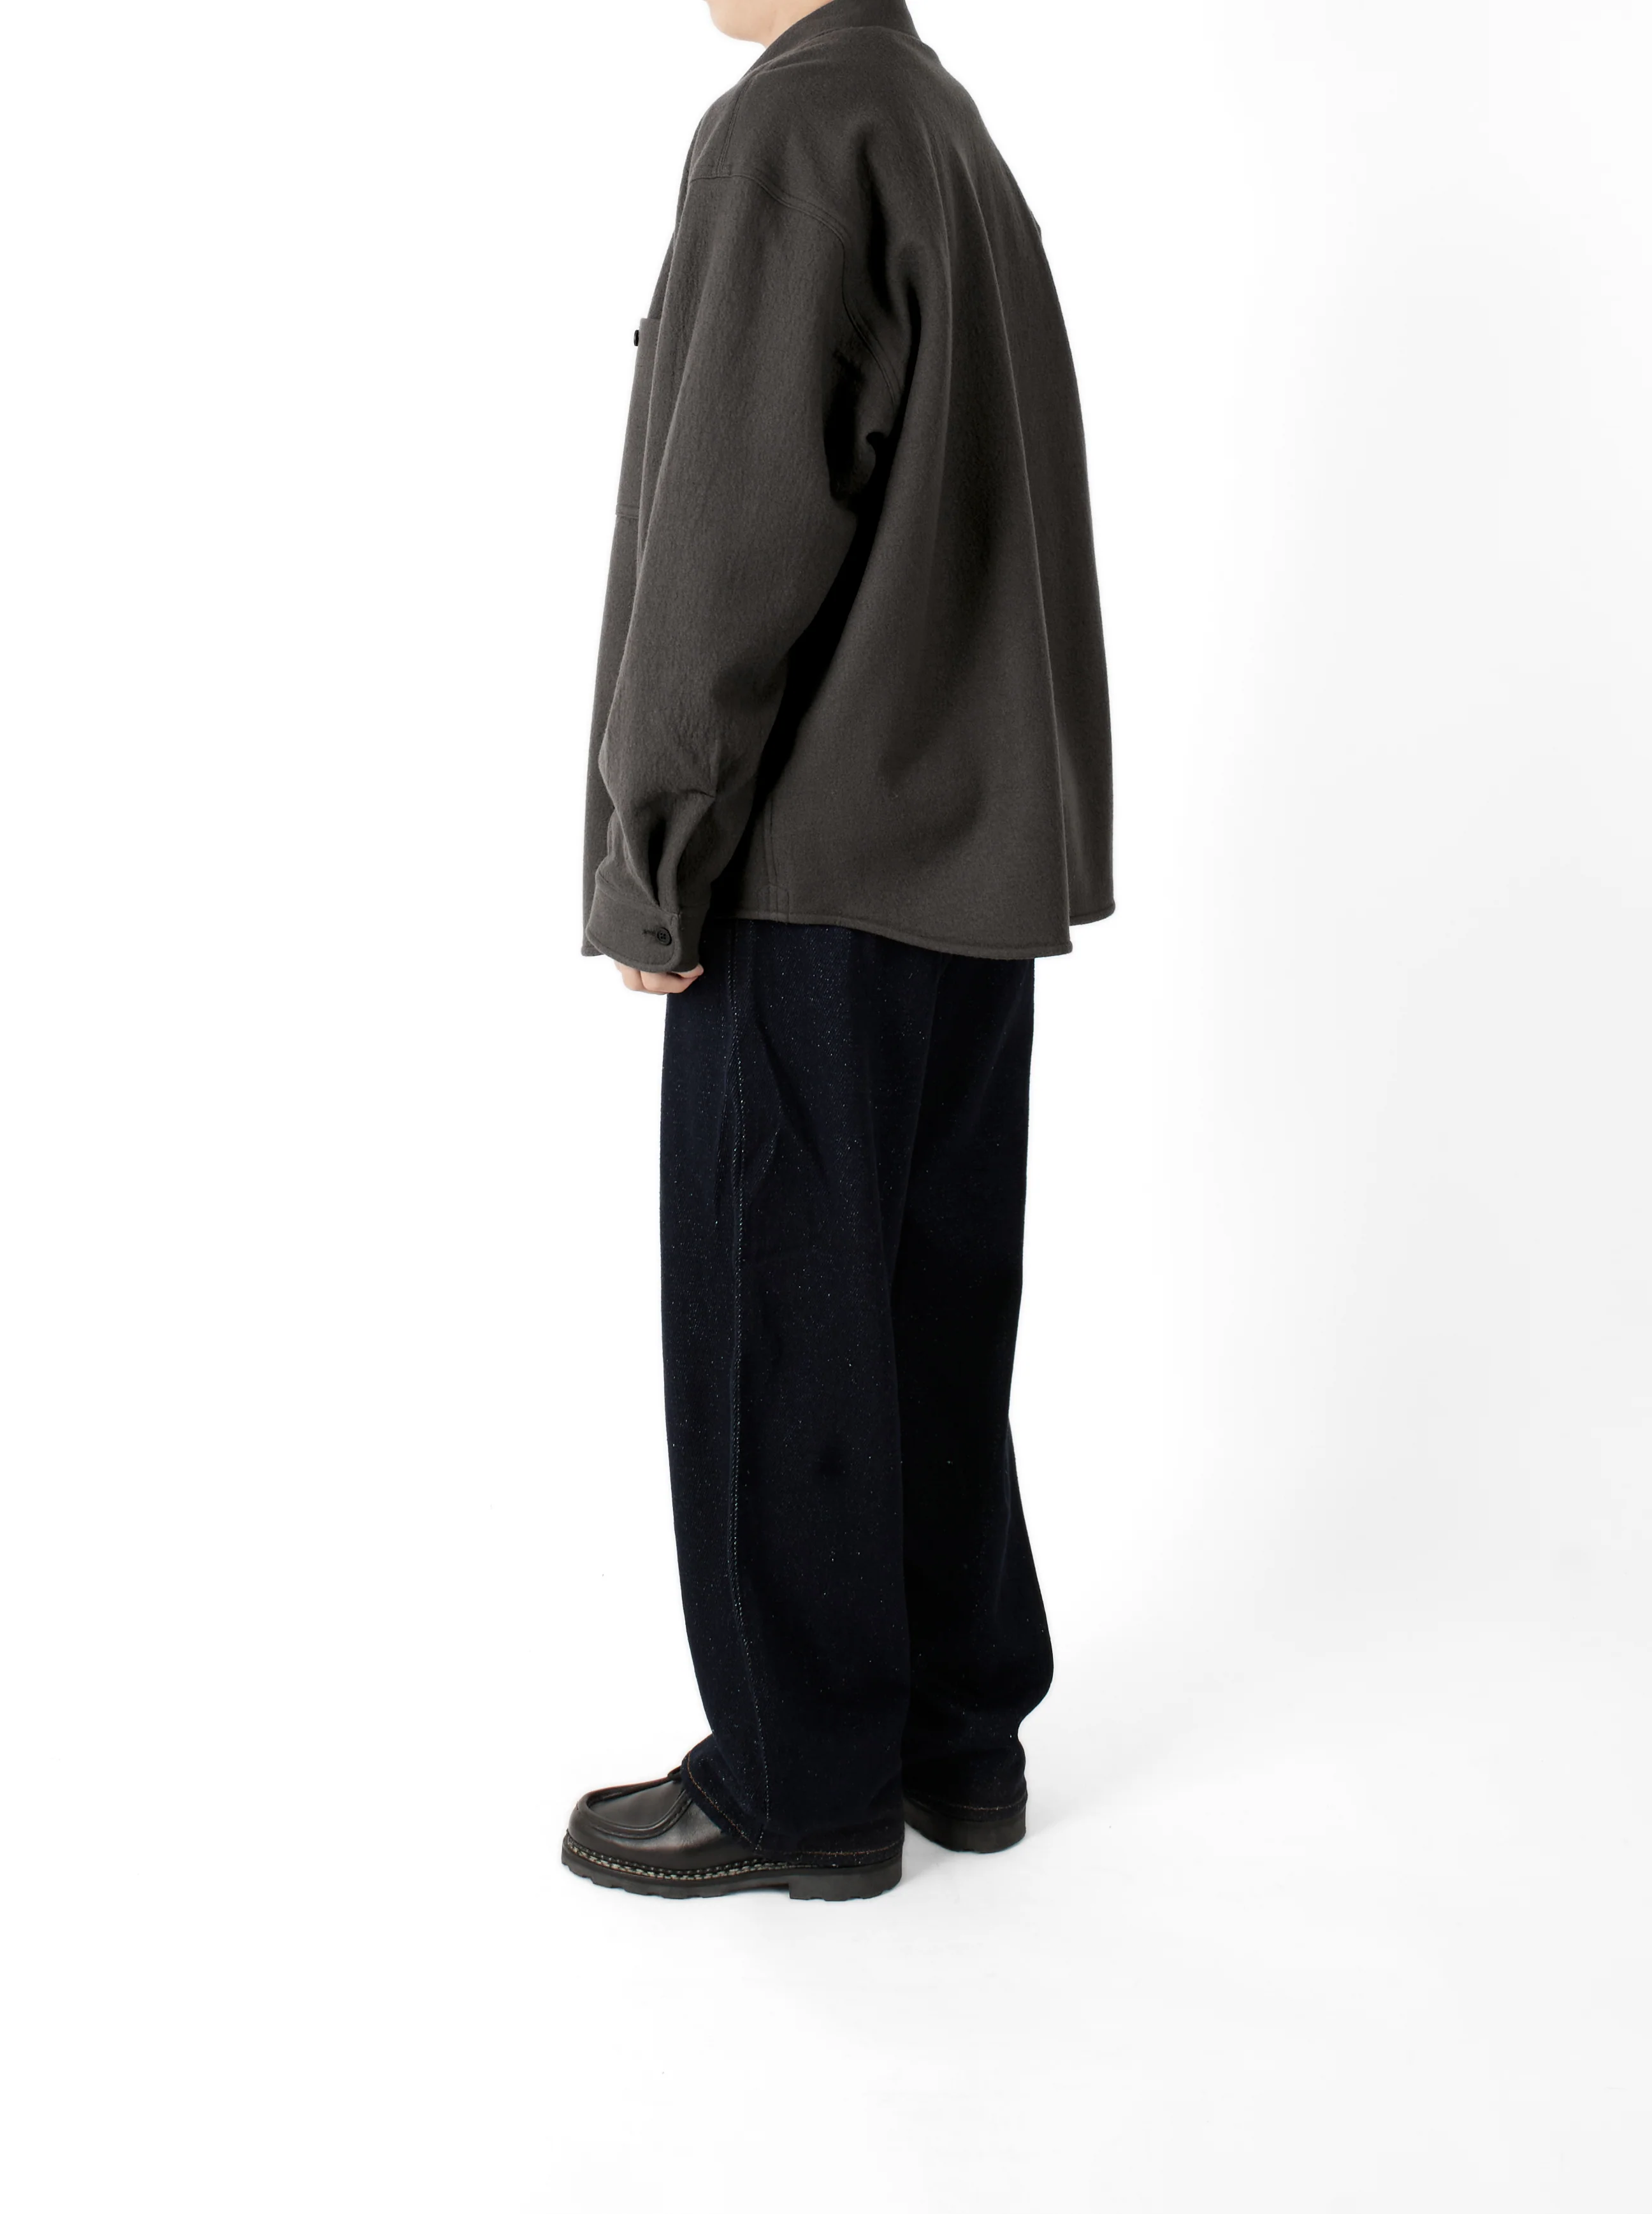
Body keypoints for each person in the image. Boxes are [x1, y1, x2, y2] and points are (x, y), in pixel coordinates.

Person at [566, 0, 1112, 1900]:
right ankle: (957, 1743)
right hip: (969, 856)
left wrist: (658, 856)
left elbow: (730, 535)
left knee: (781, 1335)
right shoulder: (939, 123)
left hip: (807, 864)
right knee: (927, 1320)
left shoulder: (793, 128)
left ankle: (801, 1787)